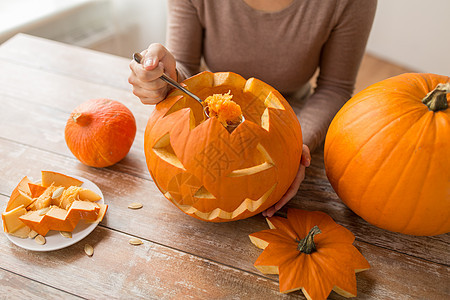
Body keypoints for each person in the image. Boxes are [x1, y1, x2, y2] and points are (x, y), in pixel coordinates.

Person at [128, 0, 377, 217]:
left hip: (298, 117)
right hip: (204, 120)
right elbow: (185, 67)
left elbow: (335, 88)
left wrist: (294, 147)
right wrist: (167, 77)